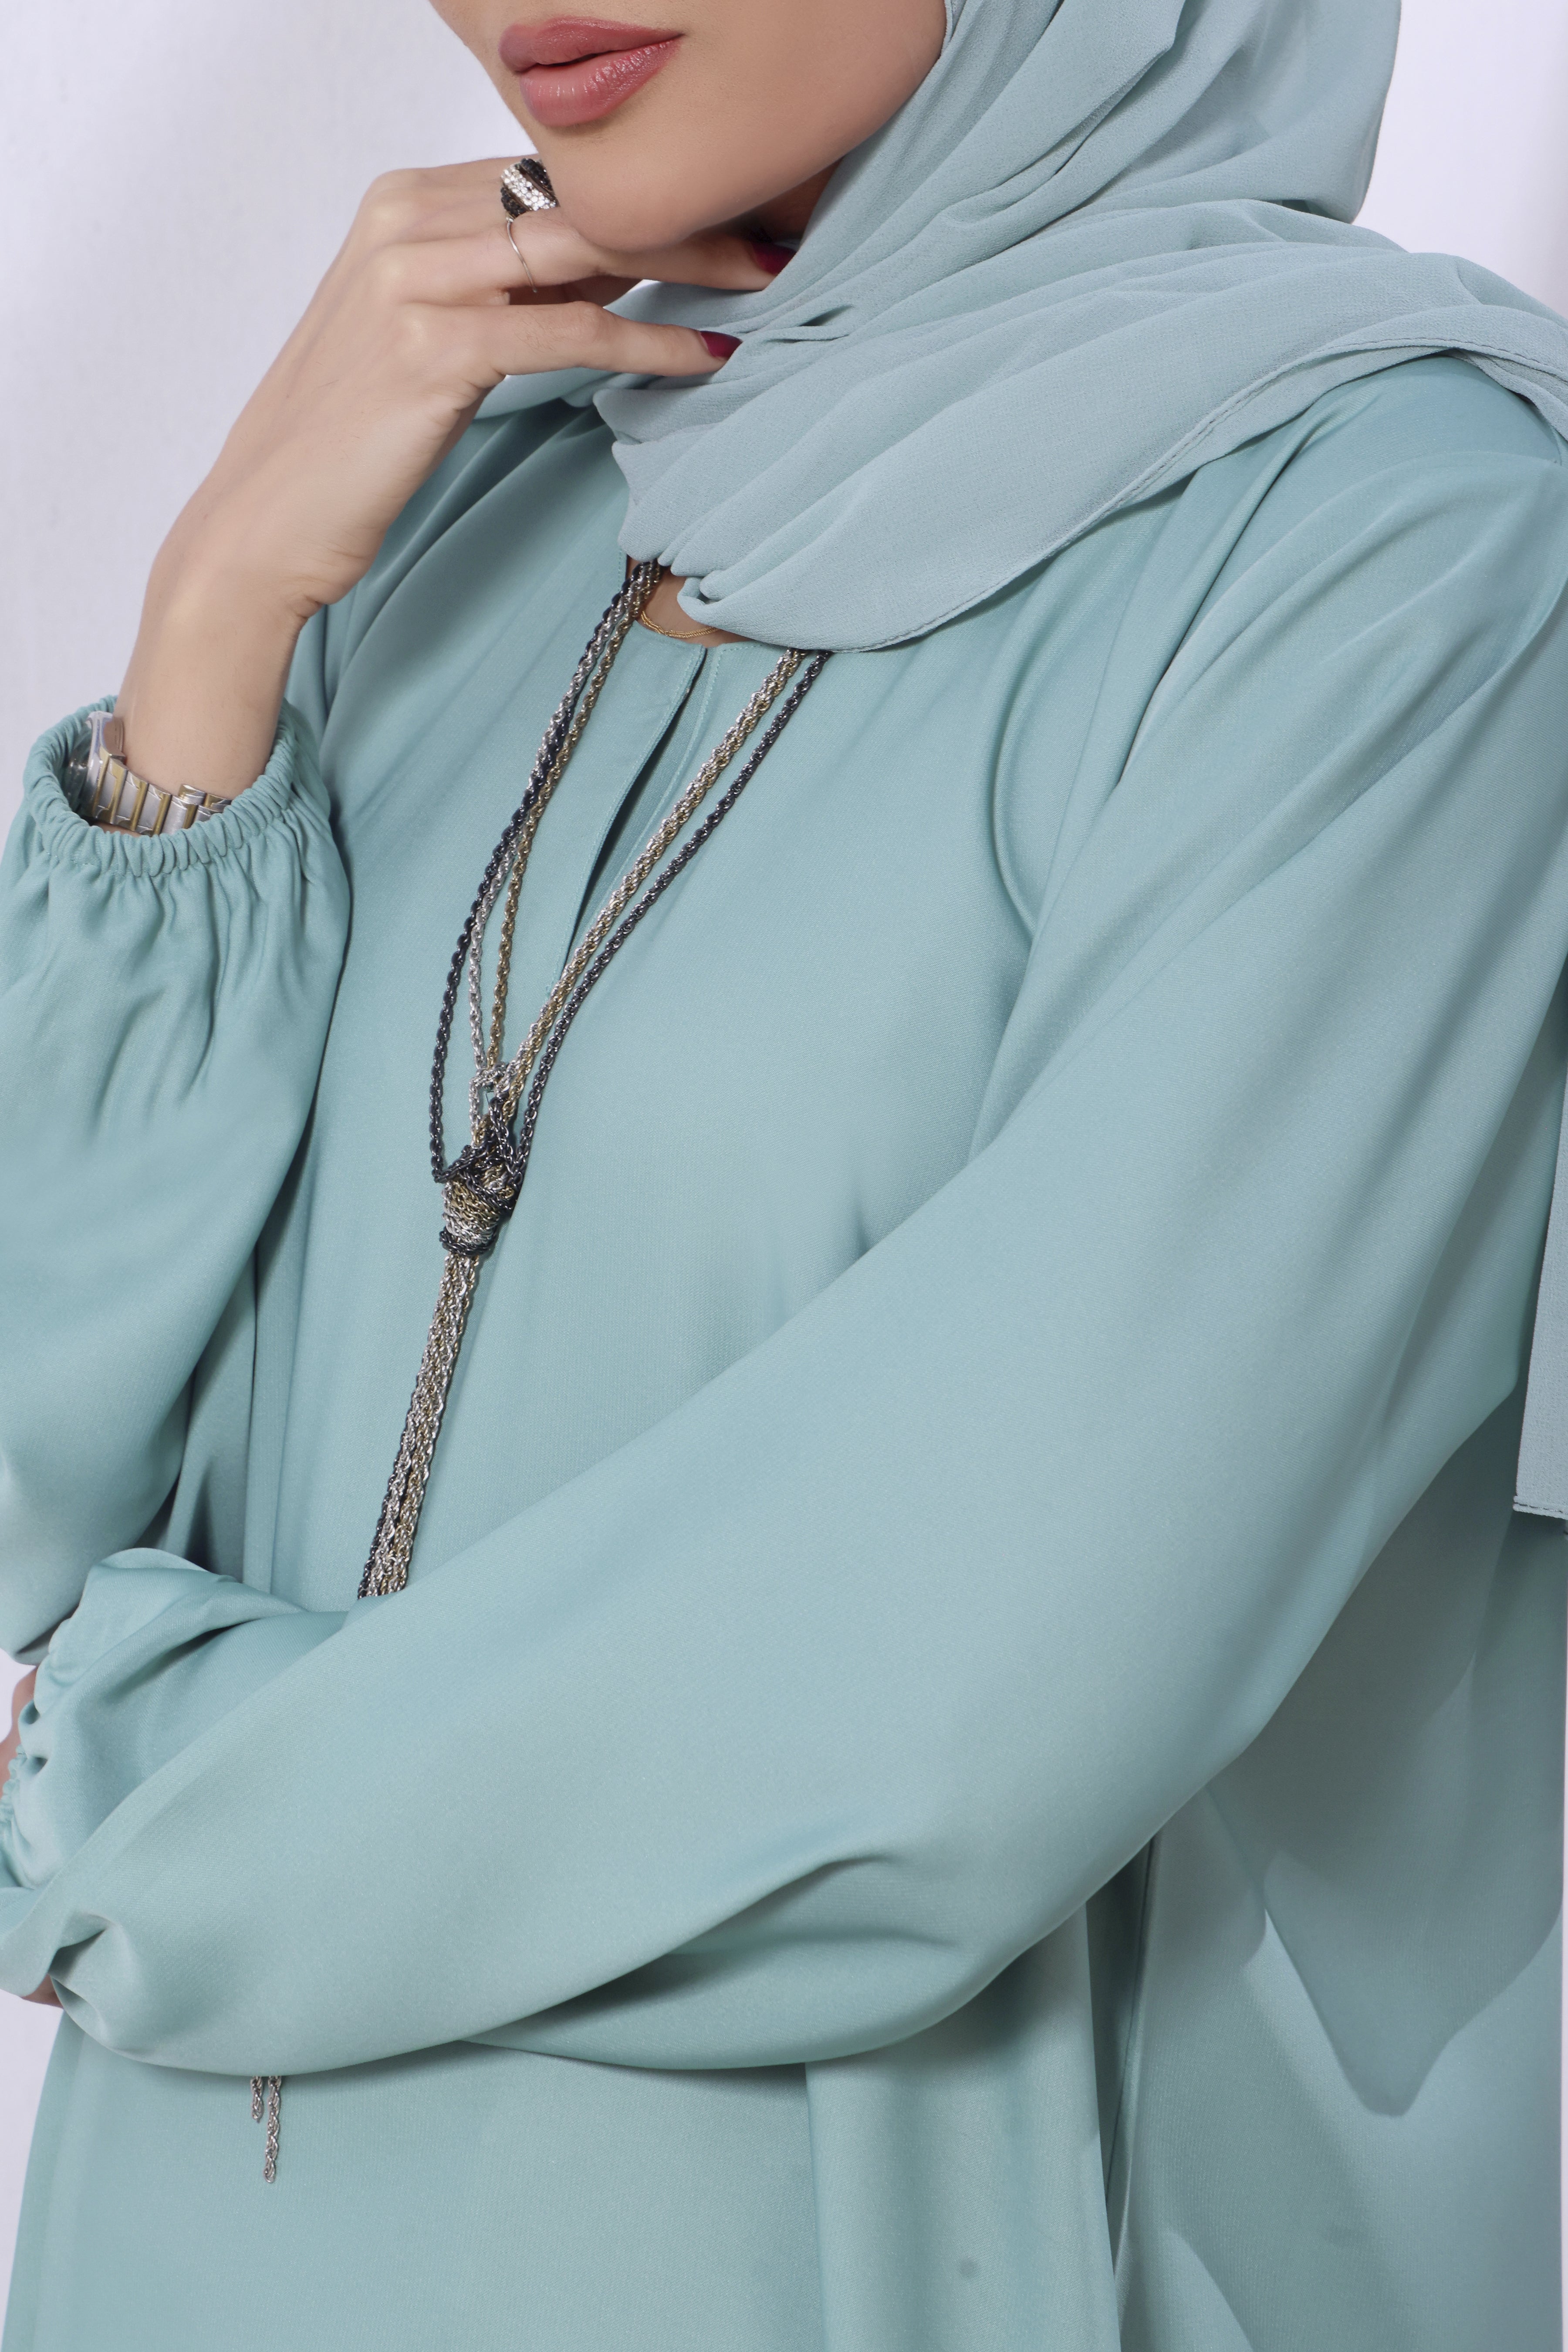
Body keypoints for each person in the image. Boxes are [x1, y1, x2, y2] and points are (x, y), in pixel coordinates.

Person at [3, 0, 1567, 2343]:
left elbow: (971, 1690)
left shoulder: (1398, 557)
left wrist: (118, 1799)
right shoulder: (476, 496)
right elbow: (42, 1470)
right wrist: (211, 624)